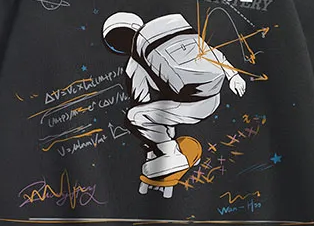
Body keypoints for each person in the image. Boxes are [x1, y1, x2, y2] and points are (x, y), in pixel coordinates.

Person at [103, 11, 247, 179]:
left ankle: (171, 154)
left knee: (136, 116)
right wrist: (233, 76)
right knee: (158, 110)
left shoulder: (135, 64)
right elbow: (210, 52)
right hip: (213, 95)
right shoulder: (173, 35)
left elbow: (142, 101)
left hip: (190, 105)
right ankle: (170, 153)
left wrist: (153, 144)